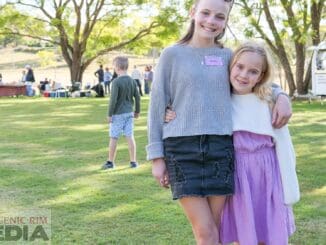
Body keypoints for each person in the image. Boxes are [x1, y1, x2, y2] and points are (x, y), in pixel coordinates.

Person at [146, 0, 292, 244]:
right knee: (205, 231)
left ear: (225, 21)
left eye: (219, 17)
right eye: (205, 13)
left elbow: (255, 76)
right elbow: (156, 105)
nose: (211, 21)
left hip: (220, 149)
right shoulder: (171, 54)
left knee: (216, 231)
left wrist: (281, 96)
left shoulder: (227, 56)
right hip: (182, 151)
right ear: (193, 12)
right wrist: (157, 158)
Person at [165, 42, 300, 244]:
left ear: (261, 76)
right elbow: (191, 102)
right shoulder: (219, 99)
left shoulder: (269, 101)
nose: (244, 75)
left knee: (268, 231)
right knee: (242, 231)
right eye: (239, 67)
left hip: (266, 176)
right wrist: (171, 112)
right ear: (230, 65)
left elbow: (283, 145)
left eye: (253, 71)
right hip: (235, 175)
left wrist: (281, 95)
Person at [102, 56, 141, 170]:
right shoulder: (132, 81)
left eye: (114, 66)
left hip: (118, 114)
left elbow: (113, 100)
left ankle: (110, 162)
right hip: (129, 113)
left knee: (114, 137)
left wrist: (109, 114)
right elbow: (137, 98)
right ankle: (133, 161)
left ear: (117, 67)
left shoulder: (116, 82)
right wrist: (137, 111)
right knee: (130, 136)